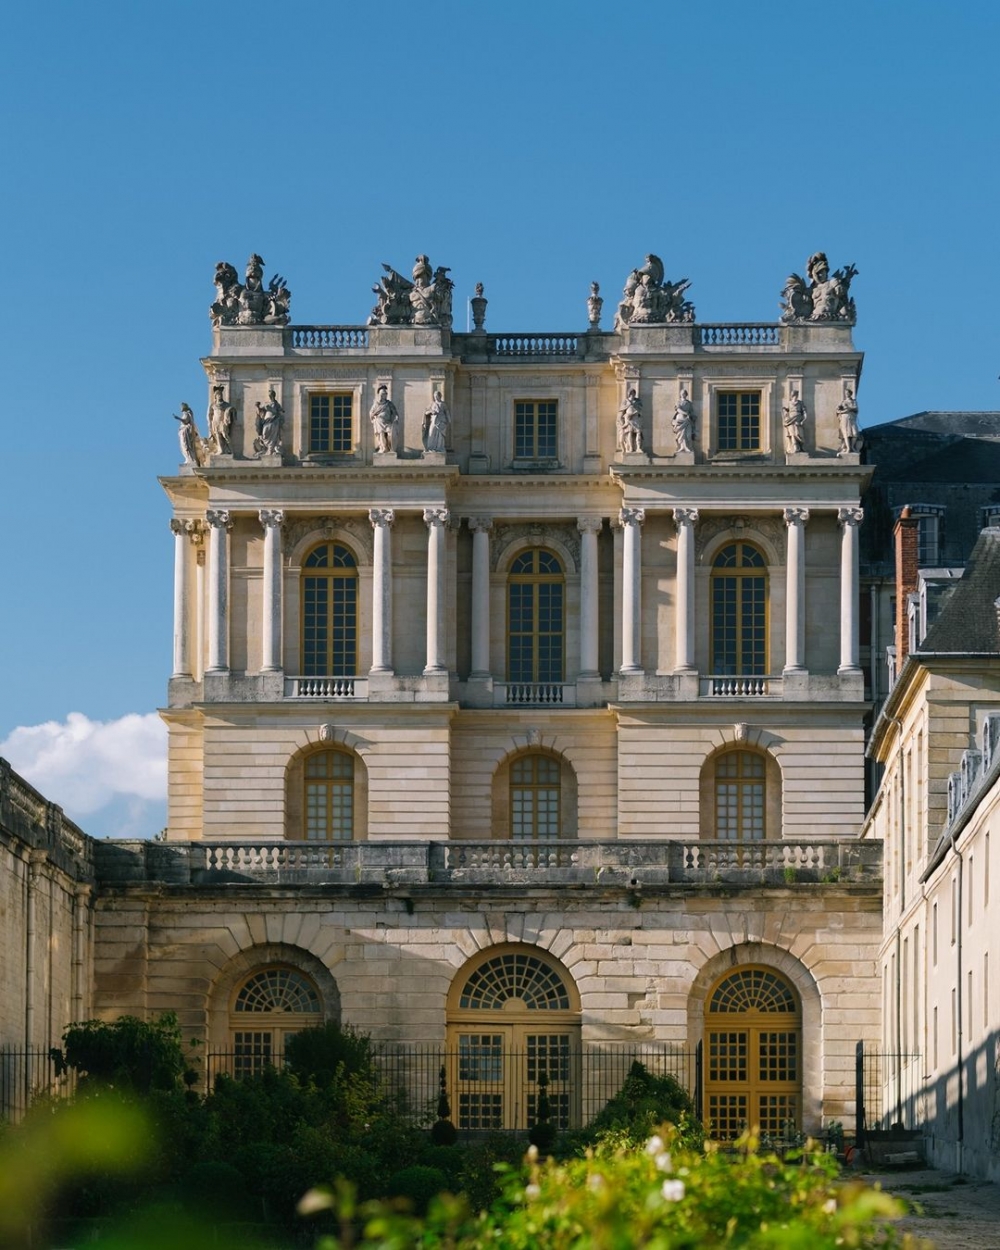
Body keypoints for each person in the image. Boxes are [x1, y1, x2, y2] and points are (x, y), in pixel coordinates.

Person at [254, 387, 284, 457]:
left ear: (273, 395)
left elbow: (281, 411)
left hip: (274, 421)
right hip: (266, 421)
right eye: (269, 395)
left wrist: (276, 412)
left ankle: (271, 449)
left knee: (273, 436)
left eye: (271, 395)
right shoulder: (267, 403)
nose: (270, 396)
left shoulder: (276, 404)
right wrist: (257, 406)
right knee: (264, 435)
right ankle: (268, 448)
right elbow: (260, 411)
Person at [369, 383, 399, 453]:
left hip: (388, 422)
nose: (384, 395)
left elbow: (394, 412)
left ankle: (390, 448)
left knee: (390, 435)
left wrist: (396, 417)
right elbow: (371, 413)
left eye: (385, 394)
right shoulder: (376, 404)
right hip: (379, 422)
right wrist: (374, 416)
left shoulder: (389, 403)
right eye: (382, 394)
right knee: (381, 434)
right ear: (380, 395)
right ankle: (383, 448)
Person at [207, 385, 235, 455]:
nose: (220, 396)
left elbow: (232, 409)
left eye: (221, 394)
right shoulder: (213, 405)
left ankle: (231, 449)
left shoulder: (226, 404)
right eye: (218, 394)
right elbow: (209, 414)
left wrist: (229, 411)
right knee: (217, 436)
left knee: (225, 435)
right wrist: (210, 422)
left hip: (223, 422)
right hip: (215, 421)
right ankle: (221, 450)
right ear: (215, 396)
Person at [617, 388, 643, 454]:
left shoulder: (638, 401)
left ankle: (638, 447)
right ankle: (631, 447)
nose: (632, 394)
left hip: (636, 418)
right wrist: (622, 421)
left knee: (638, 432)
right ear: (629, 394)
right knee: (630, 433)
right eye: (631, 393)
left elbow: (640, 409)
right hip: (628, 419)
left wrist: (635, 413)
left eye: (633, 393)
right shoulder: (625, 401)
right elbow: (621, 411)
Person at [837, 388, 861, 454]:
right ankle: (848, 448)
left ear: (850, 394)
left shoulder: (854, 401)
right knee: (846, 434)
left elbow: (856, 408)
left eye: (848, 393)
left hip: (852, 418)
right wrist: (843, 411)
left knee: (855, 434)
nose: (847, 394)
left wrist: (849, 408)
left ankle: (852, 446)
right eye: (846, 393)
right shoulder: (843, 402)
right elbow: (838, 410)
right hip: (844, 418)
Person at [672, 388, 696, 453]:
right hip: (680, 419)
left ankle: (687, 447)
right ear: (680, 394)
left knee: (688, 435)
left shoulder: (689, 403)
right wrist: (685, 413)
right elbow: (678, 409)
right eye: (682, 393)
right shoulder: (678, 402)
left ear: (686, 394)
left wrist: (693, 416)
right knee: (680, 435)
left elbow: (692, 411)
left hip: (688, 420)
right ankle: (682, 447)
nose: (683, 394)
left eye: (684, 393)